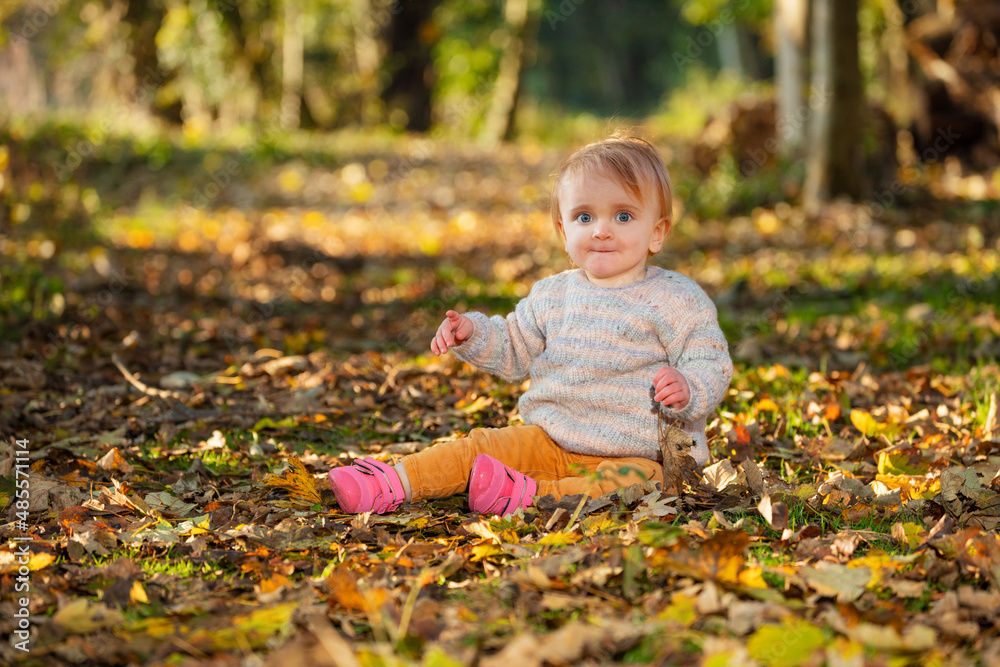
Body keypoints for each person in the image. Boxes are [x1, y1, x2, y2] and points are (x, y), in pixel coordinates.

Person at [328, 132, 733, 517]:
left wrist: (689, 388)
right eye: (584, 216)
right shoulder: (552, 295)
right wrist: (474, 333)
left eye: (623, 216)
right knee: (482, 445)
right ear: (563, 230)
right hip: (549, 440)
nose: (602, 230)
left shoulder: (677, 299)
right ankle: (393, 481)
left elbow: (709, 360)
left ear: (657, 233)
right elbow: (513, 345)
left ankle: (528, 496)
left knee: (639, 484)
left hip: (638, 455)